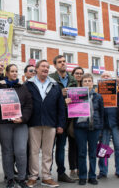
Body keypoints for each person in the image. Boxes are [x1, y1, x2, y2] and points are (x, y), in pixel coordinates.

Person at [25, 60, 66, 188]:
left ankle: (47, 177)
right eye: (43, 66)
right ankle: (33, 177)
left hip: (51, 123)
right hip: (33, 122)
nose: (45, 69)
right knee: (33, 152)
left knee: (48, 152)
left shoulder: (55, 85)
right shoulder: (28, 84)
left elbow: (61, 107)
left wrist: (60, 125)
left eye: (47, 67)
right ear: (36, 69)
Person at [0, 64, 33, 188]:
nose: (14, 73)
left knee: (21, 151)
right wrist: (1, 86)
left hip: (20, 124)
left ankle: (22, 178)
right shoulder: (0, 86)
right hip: (4, 124)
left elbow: (29, 105)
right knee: (7, 151)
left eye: (16, 71)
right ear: (7, 73)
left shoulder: (22, 87)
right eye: (12, 71)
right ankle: (10, 178)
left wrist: (22, 118)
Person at [70, 74, 104, 185]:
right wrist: (69, 103)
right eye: (85, 81)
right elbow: (72, 112)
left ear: (92, 83)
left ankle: (92, 176)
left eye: (89, 81)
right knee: (81, 153)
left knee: (93, 153)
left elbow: (102, 113)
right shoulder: (76, 95)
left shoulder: (98, 96)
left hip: (94, 128)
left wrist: (100, 127)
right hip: (80, 128)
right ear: (82, 83)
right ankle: (83, 176)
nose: (87, 83)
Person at [98, 71, 119, 179]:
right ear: (100, 79)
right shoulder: (98, 91)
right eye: (104, 76)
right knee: (103, 148)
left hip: (117, 123)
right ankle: (103, 171)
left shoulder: (118, 91)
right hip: (103, 124)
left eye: (108, 76)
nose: (106, 78)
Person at [49, 55, 77, 183]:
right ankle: (47, 173)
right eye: (59, 62)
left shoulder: (72, 79)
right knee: (49, 148)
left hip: (67, 119)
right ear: (55, 65)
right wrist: (60, 95)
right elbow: (46, 98)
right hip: (52, 118)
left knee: (61, 147)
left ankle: (61, 173)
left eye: (64, 61)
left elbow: (78, 99)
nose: (63, 64)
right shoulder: (51, 78)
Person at [68, 66, 85, 179]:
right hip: (72, 119)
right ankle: (73, 169)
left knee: (81, 146)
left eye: (80, 73)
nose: (79, 75)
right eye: (76, 73)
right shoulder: (70, 87)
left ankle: (80, 168)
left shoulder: (86, 87)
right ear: (73, 75)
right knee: (72, 145)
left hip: (83, 119)